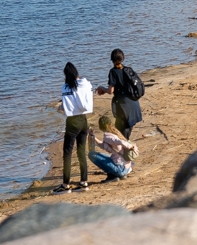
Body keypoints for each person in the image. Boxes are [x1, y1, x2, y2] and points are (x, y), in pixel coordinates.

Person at [55, 62, 93, 194]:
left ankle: (66, 185)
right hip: (83, 120)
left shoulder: (66, 87)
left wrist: (59, 107)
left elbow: (66, 107)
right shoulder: (84, 84)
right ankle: (84, 182)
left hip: (72, 122)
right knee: (81, 152)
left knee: (67, 154)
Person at [96, 48, 142, 139]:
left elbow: (110, 91)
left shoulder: (113, 72)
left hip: (123, 107)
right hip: (134, 105)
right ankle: (126, 150)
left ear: (112, 60)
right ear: (123, 59)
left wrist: (101, 88)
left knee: (120, 135)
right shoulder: (128, 70)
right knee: (126, 134)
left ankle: (126, 151)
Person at [88, 115, 139, 181]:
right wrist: (93, 137)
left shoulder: (108, 137)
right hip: (126, 167)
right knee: (106, 156)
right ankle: (117, 175)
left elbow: (120, 142)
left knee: (91, 154)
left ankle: (112, 175)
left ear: (100, 126)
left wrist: (131, 146)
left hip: (120, 169)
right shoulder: (115, 133)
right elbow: (104, 145)